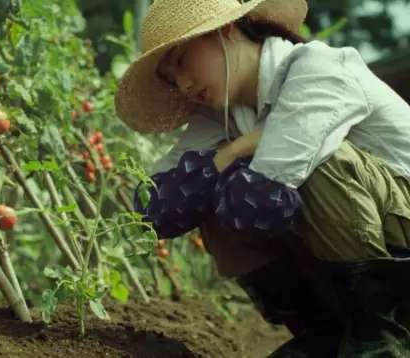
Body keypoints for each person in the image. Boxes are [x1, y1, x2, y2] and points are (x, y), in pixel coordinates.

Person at [114, 0, 410, 356]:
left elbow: (263, 200)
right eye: (170, 77)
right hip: (363, 248)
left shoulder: (319, 68)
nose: (183, 82)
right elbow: (152, 206)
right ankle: (323, 333)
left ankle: (379, 336)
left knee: (315, 162)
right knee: (208, 182)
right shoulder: (222, 117)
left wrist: (237, 157)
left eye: (181, 61)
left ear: (224, 29)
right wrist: (234, 150)